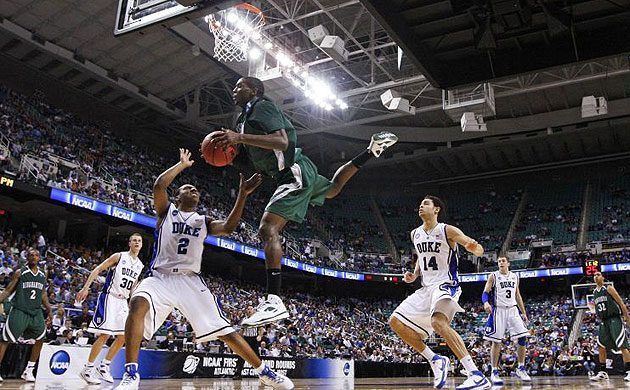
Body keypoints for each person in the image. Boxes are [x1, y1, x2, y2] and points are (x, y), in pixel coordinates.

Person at [210, 77, 398, 327]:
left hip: (292, 169)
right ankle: (371, 150)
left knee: (268, 228)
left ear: (253, 90)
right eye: (233, 86)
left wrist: (239, 139)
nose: (234, 90)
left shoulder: (261, 106)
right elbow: (253, 152)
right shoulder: (242, 120)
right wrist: (229, 152)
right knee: (331, 189)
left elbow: (282, 142)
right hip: (291, 170)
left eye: (239, 86)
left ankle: (273, 299)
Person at [114, 149, 293, 390]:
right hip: (160, 277)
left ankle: (265, 372)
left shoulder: (203, 221)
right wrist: (181, 165)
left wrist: (242, 194)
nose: (194, 191)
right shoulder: (167, 212)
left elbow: (229, 227)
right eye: (188, 188)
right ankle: (131, 374)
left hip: (190, 281)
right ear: (177, 197)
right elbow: (159, 186)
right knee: (137, 304)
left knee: (225, 331)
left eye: (196, 190)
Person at [388, 196, 491, 390]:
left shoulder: (447, 230)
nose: (421, 205)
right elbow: (420, 255)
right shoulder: (415, 234)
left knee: (438, 322)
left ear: (436, 210)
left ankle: (475, 374)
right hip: (426, 288)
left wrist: (473, 247)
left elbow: (479, 250)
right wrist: (415, 274)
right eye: (420, 203)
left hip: (446, 284)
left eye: (426, 204)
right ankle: (435, 359)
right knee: (395, 321)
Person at [76, 233, 144, 384]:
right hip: (110, 297)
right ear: (129, 243)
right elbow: (98, 269)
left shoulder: (140, 265)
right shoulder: (119, 257)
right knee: (105, 335)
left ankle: (104, 365)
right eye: (134, 240)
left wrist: (134, 304)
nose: (137, 242)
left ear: (142, 244)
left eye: (139, 241)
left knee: (123, 337)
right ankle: (87, 369)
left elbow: (133, 287)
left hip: (123, 301)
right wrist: (86, 288)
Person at [0, 249, 53, 382]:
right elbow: (7, 290)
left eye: (36, 255)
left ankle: (28, 370)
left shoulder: (42, 274)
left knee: (41, 337)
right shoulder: (20, 272)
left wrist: (49, 309)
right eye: (31, 255)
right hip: (20, 310)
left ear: (39, 258)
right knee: (5, 340)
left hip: (35, 312)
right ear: (27, 258)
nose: (34, 257)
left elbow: (42, 294)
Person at [481, 255, 531, 384]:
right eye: (499, 261)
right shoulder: (493, 276)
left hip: (513, 309)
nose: (501, 263)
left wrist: (523, 312)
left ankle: (521, 367)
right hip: (498, 310)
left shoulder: (515, 277)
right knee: (496, 341)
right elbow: (485, 292)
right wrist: (486, 303)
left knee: (523, 337)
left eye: (503, 261)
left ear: (508, 263)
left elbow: (517, 295)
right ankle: (494, 371)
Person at [589, 271, 630, 382]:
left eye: (598, 274)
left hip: (614, 319)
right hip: (603, 321)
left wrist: (627, 318)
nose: (596, 276)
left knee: (622, 345)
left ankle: (629, 371)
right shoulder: (594, 292)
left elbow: (621, 303)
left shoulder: (608, 288)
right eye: (594, 275)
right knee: (601, 346)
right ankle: (603, 372)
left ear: (602, 278)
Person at [233, 305, 264, 379]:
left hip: (254, 339)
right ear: (246, 310)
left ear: (253, 310)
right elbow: (242, 331)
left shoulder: (257, 319)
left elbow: (261, 328)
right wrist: (240, 339)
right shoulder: (244, 319)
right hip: (246, 339)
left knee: (257, 357)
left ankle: (263, 373)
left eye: (251, 309)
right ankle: (238, 374)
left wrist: (260, 336)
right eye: (248, 309)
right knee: (242, 356)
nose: (249, 310)